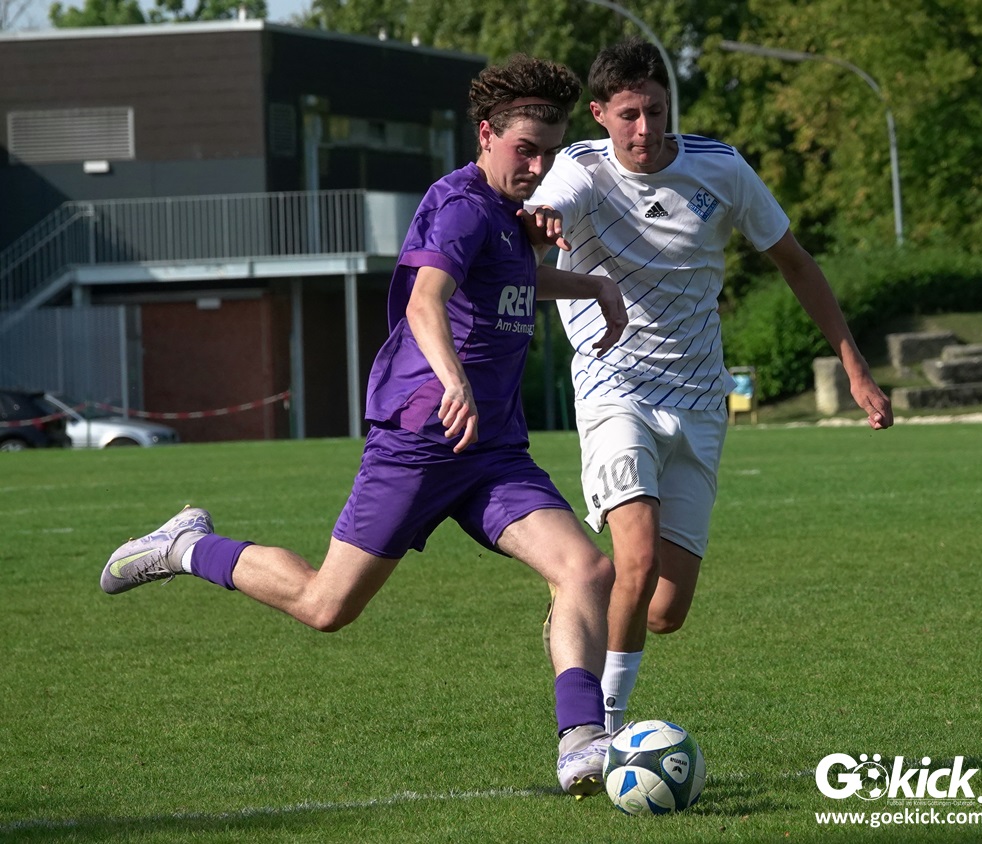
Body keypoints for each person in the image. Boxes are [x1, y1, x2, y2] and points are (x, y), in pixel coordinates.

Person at [100, 54, 629, 799]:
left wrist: (591, 285)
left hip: (493, 452)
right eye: (526, 150)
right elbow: (424, 300)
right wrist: (454, 380)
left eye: (549, 152)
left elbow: (510, 279)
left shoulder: (508, 216)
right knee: (325, 606)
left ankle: (581, 739)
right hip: (419, 439)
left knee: (586, 570)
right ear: (486, 134)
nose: (538, 167)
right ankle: (185, 546)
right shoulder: (461, 206)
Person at [524, 37, 893, 733]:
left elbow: (796, 262)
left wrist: (856, 367)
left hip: (699, 399)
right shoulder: (581, 168)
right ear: (599, 114)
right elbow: (548, 211)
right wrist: (543, 220)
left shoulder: (720, 169)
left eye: (656, 111)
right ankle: (601, 731)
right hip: (614, 386)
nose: (644, 128)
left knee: (665, 610)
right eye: (628, 114)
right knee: (634, 560)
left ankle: (580, 602)